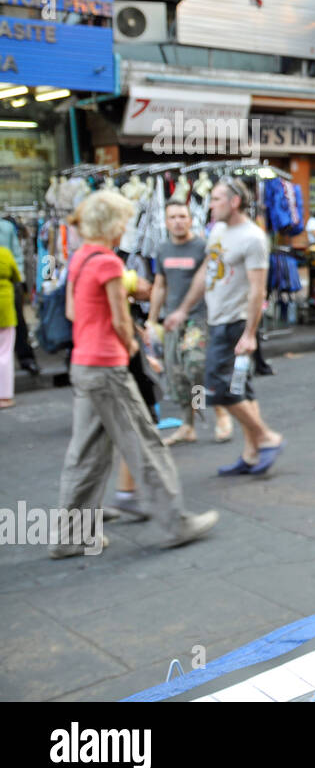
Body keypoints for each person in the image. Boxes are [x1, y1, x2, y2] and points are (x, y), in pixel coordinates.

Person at [53, 191, 218, 557]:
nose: (126, 228)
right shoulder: (109, 263)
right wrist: (131, 344)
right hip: (107, 366)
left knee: (86, 453)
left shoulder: (79, 258)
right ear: (111, 225)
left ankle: (70, 535)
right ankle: (175, 522)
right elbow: (119, 318)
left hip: (83, 363)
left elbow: (72, 313)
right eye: (123, 222)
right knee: (144, 443)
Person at [165, 178, 284, 476]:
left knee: (217, 390)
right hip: (215, 320)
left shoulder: (253, 238)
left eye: (216, 199)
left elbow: (258, 290)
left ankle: (267, 437)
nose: (210, 204)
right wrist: (182, 310)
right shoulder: (217, 230)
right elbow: (206, 272)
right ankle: (252, 452)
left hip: (236, 323)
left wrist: (250, 334)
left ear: (234, 202)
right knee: (240, 389)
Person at [148, 199, 233, 448]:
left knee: (195, 365)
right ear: (165, 222)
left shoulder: (202, 248)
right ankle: (188, 425)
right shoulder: (162, 249)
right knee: (177, 375)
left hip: (198, 318)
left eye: (182, 216)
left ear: (190, 219)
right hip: (172, 321)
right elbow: (160, 285)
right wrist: (152, 321)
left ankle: (219, 413)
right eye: (172, 217)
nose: (178, 221)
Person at [0, 214, 37, 375]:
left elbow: (17, 255)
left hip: (10, 281)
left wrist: (19, 279)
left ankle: (25, 358)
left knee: (17, 321)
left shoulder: (6, 228)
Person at [0, 241, 17, 408]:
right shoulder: (5, 253)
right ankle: (4, 396)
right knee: (4, 352)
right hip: (4, 307)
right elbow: (17, 275)